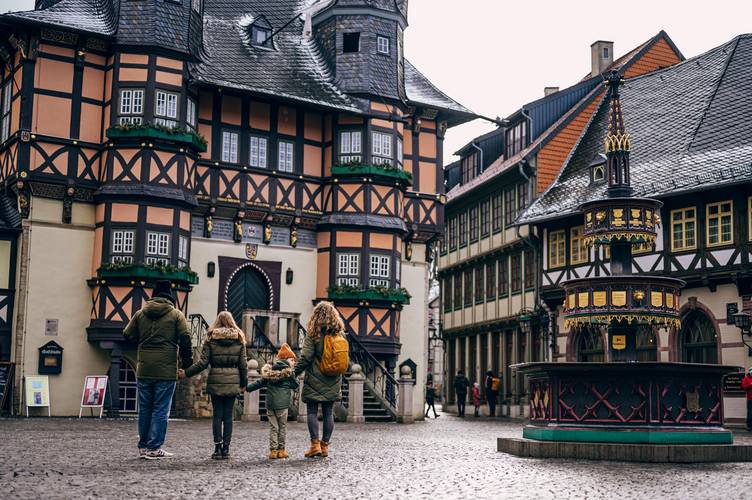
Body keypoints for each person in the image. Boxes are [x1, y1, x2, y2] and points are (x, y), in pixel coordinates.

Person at [124, 280, 192, 460]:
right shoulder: (176, 315)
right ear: (170, 295)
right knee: (161, 409)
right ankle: (155, 447)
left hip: (144, 367)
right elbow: (185, 339)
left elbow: (127, 335)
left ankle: (144, 447)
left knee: (145, 408)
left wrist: (142, 344)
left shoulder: (140, 314)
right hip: (166, 369)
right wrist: (187, 363)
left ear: (153, 295)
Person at [180, 311, 248, 460]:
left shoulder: (210, 339)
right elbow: (243, 365)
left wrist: (187, 372)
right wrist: (244, 383)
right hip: (232, 381)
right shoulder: (239, 339)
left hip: (216, 380)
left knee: (217, 415)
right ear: (232, 322)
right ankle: (226, 449)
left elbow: (203, 363)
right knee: (228, 416)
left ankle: (217, 448)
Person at [294, 301, 345, 459]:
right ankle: (325, 446)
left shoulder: (314, 333)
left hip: (315, 377)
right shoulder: (339, 333)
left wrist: (294, 372)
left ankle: (314, 445)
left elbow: (306, 357)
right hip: (333, 378)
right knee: (329, 412)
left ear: (316, 315)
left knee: (312, 411)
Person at [246, 343, 299, 460]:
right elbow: (296, 385)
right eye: (292, 359)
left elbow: (260, 382)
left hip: (270, 404)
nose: (294, 362)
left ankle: (273, 451)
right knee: (282, 427)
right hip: (283, 405)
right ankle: (281, 450)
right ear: (286, 360)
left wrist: (247, 388)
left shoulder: (269, 371)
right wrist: (293, 374)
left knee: (273, 427)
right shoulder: (288, 374)